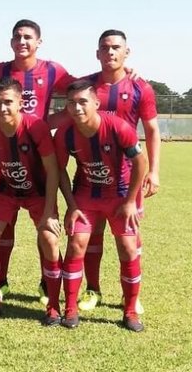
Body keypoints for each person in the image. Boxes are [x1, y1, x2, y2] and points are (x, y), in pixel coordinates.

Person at [0, 19, 75, 304]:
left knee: (46, 229)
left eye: (27, 37)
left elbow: (84, 94)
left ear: (39, 42)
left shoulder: (52, 70)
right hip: (8, 161)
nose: (22, 42)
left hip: (39, 157)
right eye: (17, 37)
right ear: (11, 42)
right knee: (3, 225)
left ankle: (45, 284)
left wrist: (45, 122)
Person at [76, 30, 160, 313]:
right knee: (90, 236)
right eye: (104, 48)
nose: (110, 52)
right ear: (97, 53)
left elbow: (151, 130)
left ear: (127, 52)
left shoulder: (141, 88)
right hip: (91, 175)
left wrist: (154, 171)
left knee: (129, 239)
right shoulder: (87, 86)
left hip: (127, 178)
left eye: (116, 47)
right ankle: (93, 289)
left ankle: (131, 297)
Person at [55, 79, 146, 332]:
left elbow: (141, 163)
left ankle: (130, 310)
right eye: (71, 103)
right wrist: (71, 205)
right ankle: (71, 308)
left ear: (96, 103)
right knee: (76, 244)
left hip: (119, 195)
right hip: (86, 194)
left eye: (83, 102)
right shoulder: (66, 133)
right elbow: (59, 170)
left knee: (128, 248)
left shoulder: (118, 127)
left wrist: (130, 202)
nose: (77, 108)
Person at [0, 77, 62, 324]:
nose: (2, 108)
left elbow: (53, 170)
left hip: (39, 193)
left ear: (21, 103)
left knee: (49, 239)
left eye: (8, 102)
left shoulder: (36, 127)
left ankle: (53, 306)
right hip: (6, 191)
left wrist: (49, 213)